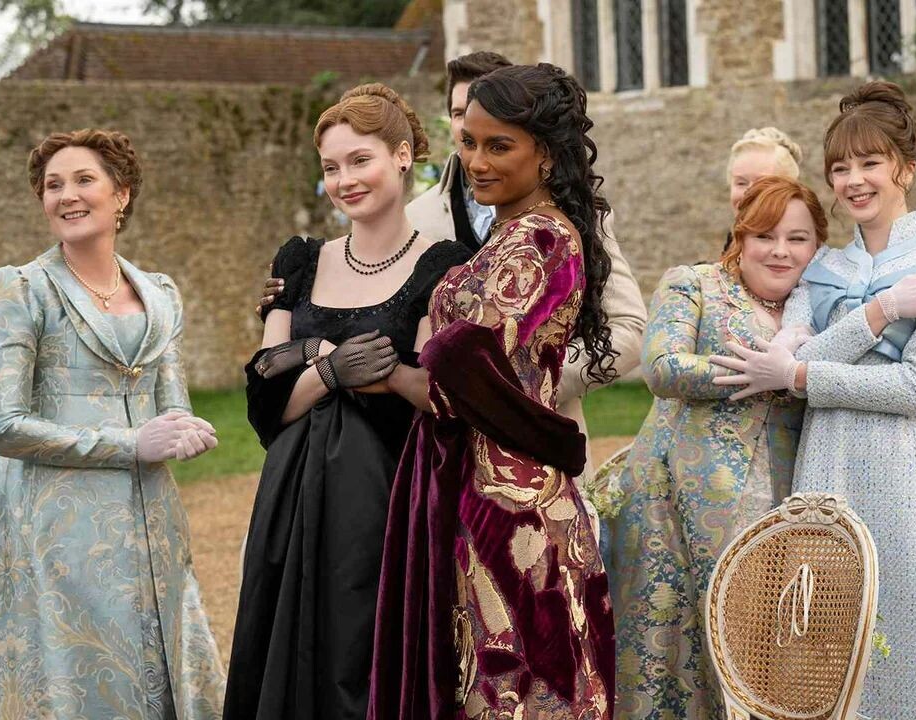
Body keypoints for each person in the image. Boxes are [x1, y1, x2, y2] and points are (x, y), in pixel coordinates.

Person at [709, 81, 916, 719]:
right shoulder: (820, 267)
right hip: (831, 469)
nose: (853, 180)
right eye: (840, 168)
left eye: (870, 163)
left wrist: (802, 374)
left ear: (905, 167)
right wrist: (883, 312)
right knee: (832, 639)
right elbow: (795, 357)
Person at [261, 51, 647, 482]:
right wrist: (298, 314)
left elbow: (627, 330)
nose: (475, 150)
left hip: (517, 464)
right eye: (462, 120)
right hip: (429, 465)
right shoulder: (418, 215)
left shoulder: (552, 229)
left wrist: (532, 385)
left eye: (497, 138)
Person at [368, 64, 615, 718]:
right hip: (478, 485)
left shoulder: (541, 237)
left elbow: (464, 365)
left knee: (513, 689)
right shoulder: (508, 233)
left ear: (547, 152)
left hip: (512, 506)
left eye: (499, 145)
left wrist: (395, 370)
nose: (476, 162)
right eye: (469, 142)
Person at [222, 84, 472, 720]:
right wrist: (331, 368)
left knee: (362, 658)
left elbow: (434, 392)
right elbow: (265, 399)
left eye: (360, 160)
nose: (344, 180)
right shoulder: (301, 261)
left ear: (403, 155)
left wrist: (316, 365)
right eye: (331, 167)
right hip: (291, 495)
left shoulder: (445, 263)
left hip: (386, 494)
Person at [0, 129, 225, 719]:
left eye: (84, 180)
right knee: (74, 676)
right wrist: (134, 442)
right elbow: (4, 425)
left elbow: (172, 403)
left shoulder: (160, 293)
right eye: (53, 185)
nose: (67, 195)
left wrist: (186, 429)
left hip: (151, 516)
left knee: (160, 655)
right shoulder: (23, 289)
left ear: (121, 193)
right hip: (54, 520)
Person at [608, 177, 824, 719]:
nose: (780, 251)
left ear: (818, 245)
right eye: (765, 235)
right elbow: (662, 367)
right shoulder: (696, 283)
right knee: (670, 648)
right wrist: (760, 374)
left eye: (797, 239)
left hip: (788, 502)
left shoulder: (822, 305)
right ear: (740, 236)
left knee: (768, 644)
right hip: (673, 503)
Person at [722, 127, 803, 250]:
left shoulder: (807, 260)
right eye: (741, 183)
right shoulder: (725, 259)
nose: (748, 193)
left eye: (763, 183)